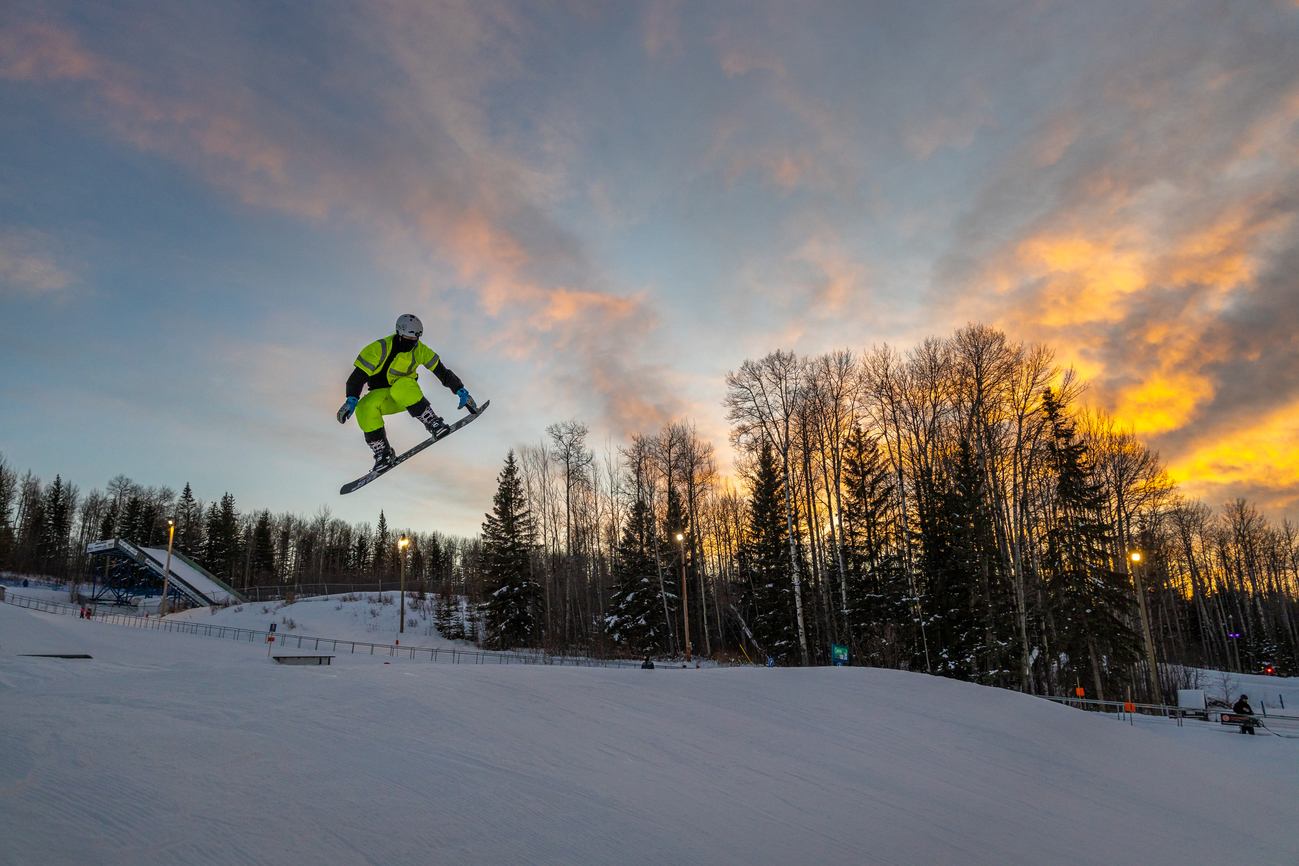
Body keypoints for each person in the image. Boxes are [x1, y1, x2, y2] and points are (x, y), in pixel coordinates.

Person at [336, 314, 478, 470]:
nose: (412, 344)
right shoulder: (379, 348)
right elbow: (357, 377)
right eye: (409, 340)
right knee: (363, 407)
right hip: (384, 397)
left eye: (415, 340)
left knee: (401, 385)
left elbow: (442, 372)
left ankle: (433, 422)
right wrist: (351, 398)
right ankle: (383, 453)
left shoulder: (420, 350)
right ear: (399, 334)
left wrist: (460, 390)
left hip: (407, 395)